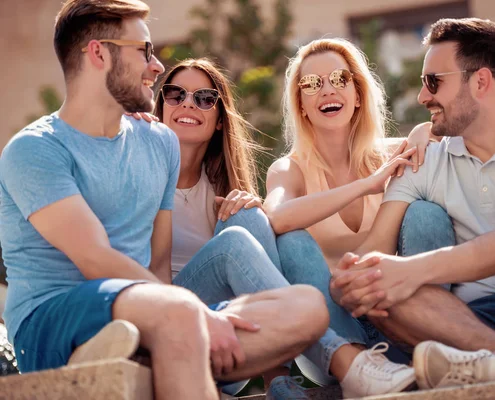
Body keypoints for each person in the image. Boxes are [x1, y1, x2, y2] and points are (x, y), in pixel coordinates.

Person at [0, 2, 328, 399]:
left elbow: (157, 265)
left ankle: (143, 355)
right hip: (52, 322)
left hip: (153, 313)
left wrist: (186, 317)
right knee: (181, 313)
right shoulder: (36, 149)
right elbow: (95, 259)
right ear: (99, 53)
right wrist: (196, 314)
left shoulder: (159, 142)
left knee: (308, 308)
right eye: (144, 50)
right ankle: (135, 347)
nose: (156, 66)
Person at [132, 57, 430, 398]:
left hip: (230, 338)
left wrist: (421, 131)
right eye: (174, 94)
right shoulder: (142, 169)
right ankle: (347, 361)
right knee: (237, 241)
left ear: (218, 120)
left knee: (248, 215)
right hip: (166, 316)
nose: (188, 103)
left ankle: (278, 377)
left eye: (204, 98)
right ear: (161, 106)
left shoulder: (222, 188)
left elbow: (433, 131)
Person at [329, 17, 495, 390]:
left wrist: (411, 270)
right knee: (380, 288)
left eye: (433, 81)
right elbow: (373, 251)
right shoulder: (423, 161)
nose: (423, 97)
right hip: (467, 325)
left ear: (481, 81)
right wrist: (352, 277)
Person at [262, 38, 436, 396]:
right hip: (333, 335)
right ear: (302, 105)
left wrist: (420, 132)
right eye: (311, 84)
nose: (327, 89)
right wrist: (365, 185)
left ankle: (434, 339)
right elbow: (276, 217)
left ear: (358, 95)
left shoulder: (392, 155)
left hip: (400, 321)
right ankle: (355, 365)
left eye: (340, 78)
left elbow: (439, 136)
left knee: (426, 214)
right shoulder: (289, 169)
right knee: (291, 240)